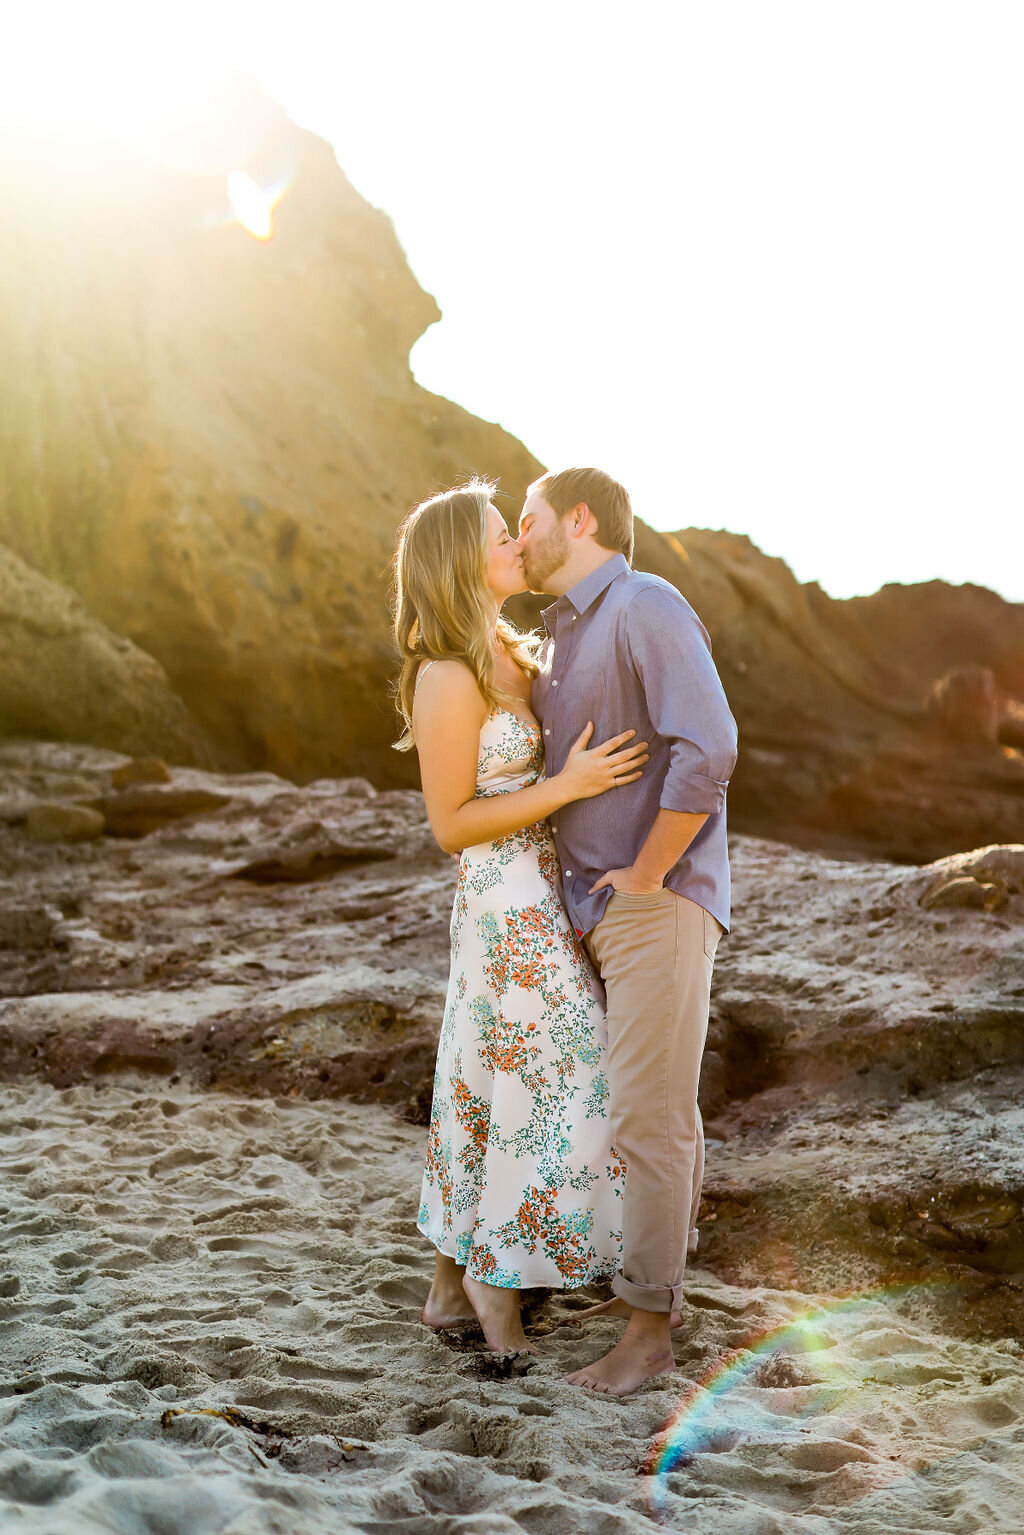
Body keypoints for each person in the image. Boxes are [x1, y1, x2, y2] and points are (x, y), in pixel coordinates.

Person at [391, 479, 649, 1355]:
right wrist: (567, 785)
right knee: (566, 1071)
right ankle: (494, 1284)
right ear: (463, 556)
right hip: (502, 901)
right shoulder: (445, 672)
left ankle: (448, 1285)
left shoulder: (509, 650)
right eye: (503, 533)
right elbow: (450, 824)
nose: (517, 543)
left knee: (487, 1081)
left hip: (543, 886)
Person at [518, 466, 738, 1395]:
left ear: (579, 518)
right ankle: (649, 1293)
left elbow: (712, 743)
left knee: (649, 1117)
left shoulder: (645, 602)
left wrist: (647, 872)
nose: (519, 537)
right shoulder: (562, 634)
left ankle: (649, 1337)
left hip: (655, 903)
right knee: (639, 1110)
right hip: (591, 914)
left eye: (527, 520)